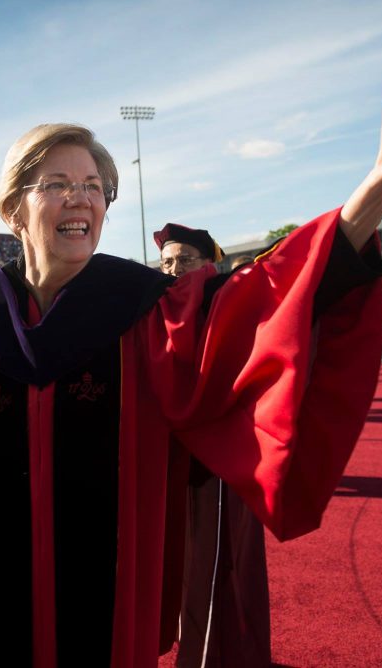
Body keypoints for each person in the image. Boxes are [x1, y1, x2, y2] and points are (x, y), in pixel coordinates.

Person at [0, 20, 382, 661]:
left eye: (93, 187)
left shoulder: (147, 313)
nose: (80, 199)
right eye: (57, 184)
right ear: (13, 209)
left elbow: (269, 299)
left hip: (110, 615)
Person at [154, 222, 272, 668]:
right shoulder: (156, 310)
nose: (175, 270)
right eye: (167, 262)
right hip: (172, 463)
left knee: (222, 564)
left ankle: (220, 654)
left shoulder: (227, 299)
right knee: (182, 567)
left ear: (210, 264)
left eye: (185, 260)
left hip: (221, 462)